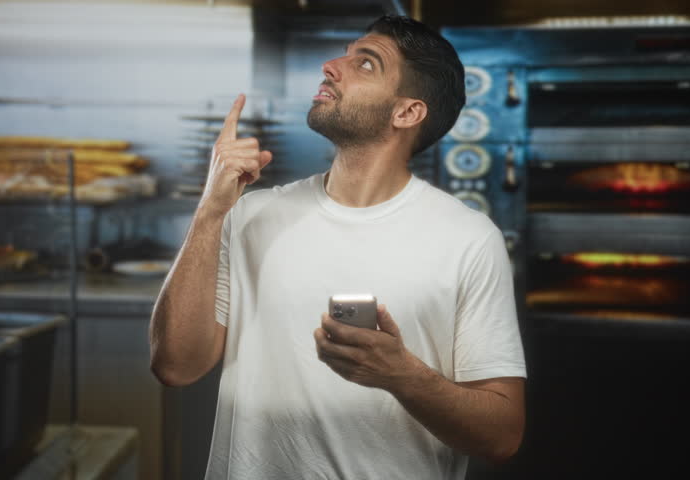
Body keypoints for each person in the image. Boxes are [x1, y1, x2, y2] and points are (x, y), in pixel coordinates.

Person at [149, 14, 526, 480]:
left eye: (365, 64)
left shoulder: (469, 239)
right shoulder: (250, 215)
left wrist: (401, 375)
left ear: (407, 112)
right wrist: (211, 209)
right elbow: (175, 366)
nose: (330, 66)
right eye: (343, 55)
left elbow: (502, 435)